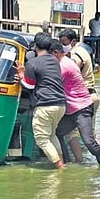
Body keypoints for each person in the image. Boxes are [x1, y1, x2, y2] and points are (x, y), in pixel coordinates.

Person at [49, 40, 100, 166]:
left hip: (82, 108)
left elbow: (52, 83)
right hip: (72, 109)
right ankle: (67, 161)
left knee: (89, 141)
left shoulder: (63, 66)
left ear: (55, 53)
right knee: (58, 133)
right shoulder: (64, 62)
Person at [15, 32, 67, 169]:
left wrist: (21, 75)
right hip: (61, 104)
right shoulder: (55, 61)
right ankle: (61, 162)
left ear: (35, 46)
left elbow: (29, 86)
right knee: (51, 135)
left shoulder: (32, 64)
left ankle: (60, 166)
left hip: (45, 105)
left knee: (41, 139)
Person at [58, 28, 100, 162]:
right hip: (91, 96)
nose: (62, 46)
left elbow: (71, 70)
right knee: (91, 136)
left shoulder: (75, 55)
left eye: (64, 43)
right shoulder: (84, 50)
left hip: (81, 99)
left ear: (73, 41)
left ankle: (79, 162)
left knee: (72, 134)